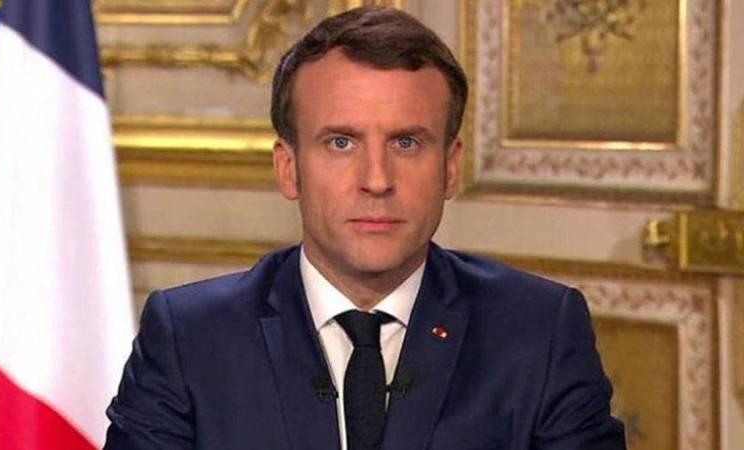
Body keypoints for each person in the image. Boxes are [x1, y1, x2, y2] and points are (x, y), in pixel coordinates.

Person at [104, 6, 626, 450]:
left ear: (450, 168)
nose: (377, 180)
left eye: (407, 143)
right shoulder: (190, 338)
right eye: (340, 142)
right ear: (288, 168)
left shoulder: (540, 331)